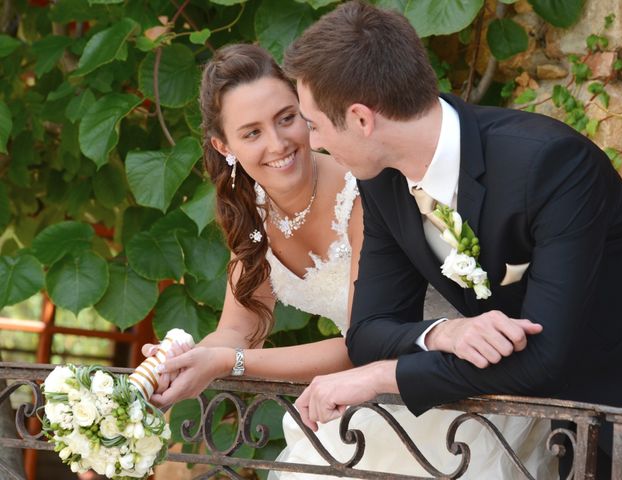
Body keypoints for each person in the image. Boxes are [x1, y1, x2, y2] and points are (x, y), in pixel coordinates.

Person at [144, 44, 557, 478]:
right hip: (363, 399)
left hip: (446, 386)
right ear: (223, 145)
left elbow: (360, 340)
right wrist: (177, 362)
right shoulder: (250, 211)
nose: (278, 143)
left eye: (287, 118)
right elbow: (238, 329)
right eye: (252, 133)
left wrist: (227, 363)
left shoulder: (363, 191)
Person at [283, 0, 622, 474]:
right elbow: (368, 332)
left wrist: (379, 378)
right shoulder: (383, 182)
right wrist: (445, 331)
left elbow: (545, 356)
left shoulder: (551, 165)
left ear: (362, 119)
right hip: (549, 425)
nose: (312, 143)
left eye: (315, 125)